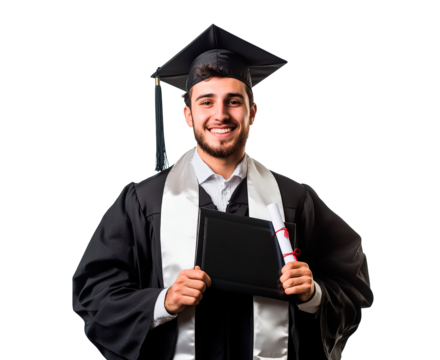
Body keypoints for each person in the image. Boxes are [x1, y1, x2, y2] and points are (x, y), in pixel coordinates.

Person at [72, 23, 373, 360]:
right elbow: (95, 293)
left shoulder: (295, 200)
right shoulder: (144, 202)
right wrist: (162, 302)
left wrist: (314, 294)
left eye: (233, 101)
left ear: (252, 112)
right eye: (206, 102)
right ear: (187, 115)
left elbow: (352, 283)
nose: (220, 115)